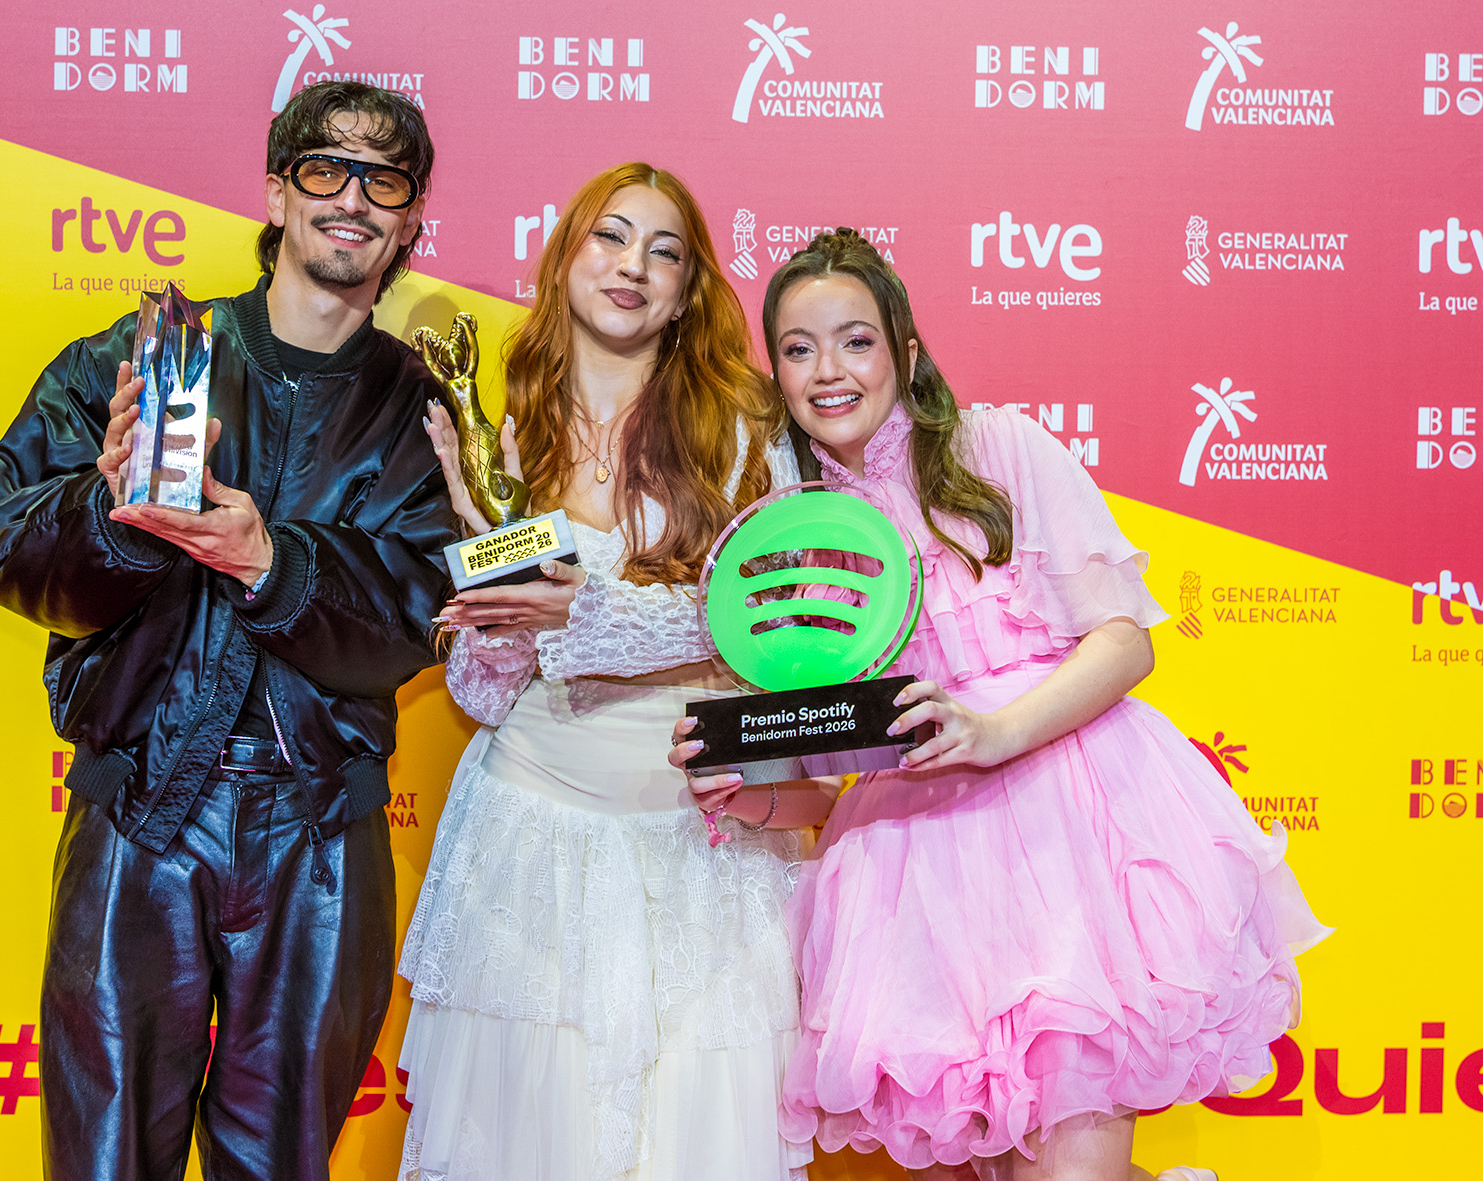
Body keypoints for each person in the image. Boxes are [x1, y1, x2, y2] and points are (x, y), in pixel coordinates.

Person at [672, 229, 1329, 1181]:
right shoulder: (788, 539)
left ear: (904, 353)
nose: (829, 370)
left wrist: (993, 731)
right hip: (917, 884)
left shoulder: (999, 448)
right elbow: (828, 775)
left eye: (856, 341)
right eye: (799, 348)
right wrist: (749, 790)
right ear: (775, 372)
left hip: (1068, 841)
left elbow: (1126, 640)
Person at [0, 82, 456, 1181]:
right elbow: (2, 542)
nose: (352, 198)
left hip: (318, 831)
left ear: (411, 220)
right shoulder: (139, 360)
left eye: (383, 181)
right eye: (324, 168)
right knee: (104, 1154)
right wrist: (110, 511)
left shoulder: (422, 412)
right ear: (278, 193)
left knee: (280, 1158)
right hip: (140, 812)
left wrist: (271, 562)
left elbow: (428, 610)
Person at [394, 163, 827, 1181]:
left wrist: (583, 613)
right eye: (611, 237)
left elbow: (774, 627)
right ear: (565, 258)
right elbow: (483, 691)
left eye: (663, 252)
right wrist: (495, 595)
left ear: (685, 293)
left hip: (700, 848)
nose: (633, 265)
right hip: (529, 842)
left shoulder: (745, 428)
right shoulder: (500, 425)